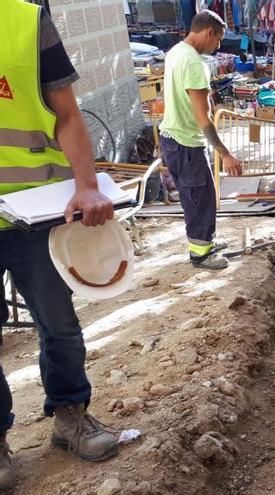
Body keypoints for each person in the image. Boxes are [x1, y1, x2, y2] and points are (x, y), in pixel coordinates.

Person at [0, 0, 121, 489]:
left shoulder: (25, 21)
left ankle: (70, 416)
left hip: (33, 210)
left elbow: (66, 112)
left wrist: (87, 185)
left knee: (60, 326)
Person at [159, 11, 242, 270]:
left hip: (173, 137)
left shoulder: (175, 52)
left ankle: (206, 241)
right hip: (186, 141)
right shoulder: (195, 64)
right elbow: (203, 116)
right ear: (208, 33)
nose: (217, 47)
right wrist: (224, 153)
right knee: (199, 197)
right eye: (218, 40)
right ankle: (201, 255)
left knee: (198, 194)